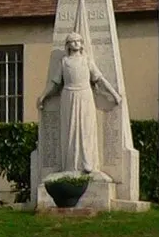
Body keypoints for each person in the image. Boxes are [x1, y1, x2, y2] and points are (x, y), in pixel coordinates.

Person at [39, 31, 120, 175]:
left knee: (86, 129)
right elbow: (55, 83)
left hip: (85, 96)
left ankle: (87, 162)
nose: (76, 43)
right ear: (68, 45)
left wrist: (114, 94)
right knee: (70, 129)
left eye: (78, 41)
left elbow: (100, 80)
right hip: (68, 97)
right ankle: (71, 165)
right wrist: (44, 96)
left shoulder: (87, 61)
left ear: (82, 44)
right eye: (72, 41)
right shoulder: (64, 62)